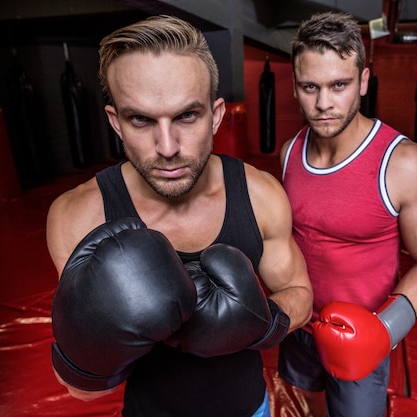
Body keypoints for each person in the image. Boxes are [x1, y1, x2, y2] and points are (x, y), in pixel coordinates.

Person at [46, 15, 313, 417]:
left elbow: (300, 294)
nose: (167, 147)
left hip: (249, 409)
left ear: (216, 114)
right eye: (141, 119)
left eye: (187, 116)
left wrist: (261, 323)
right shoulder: (78, 216)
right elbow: (81, 388)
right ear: (115, 122)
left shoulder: (259, 195)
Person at [277, 12, 417, 417]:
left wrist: (383, 331)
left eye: (339, 85)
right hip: (300, 324)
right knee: (310, 407)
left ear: (363, 80)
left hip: (363, 335)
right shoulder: (289, 153)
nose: (323, 103)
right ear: (294, 87)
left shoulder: (405, 164)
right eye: (310, 87)